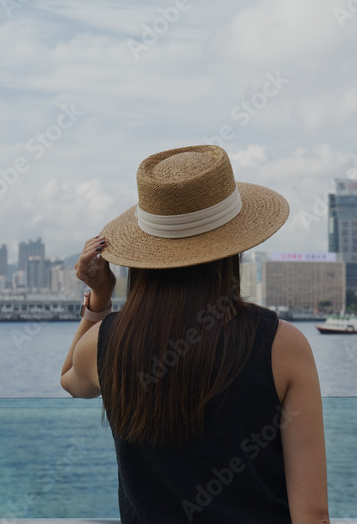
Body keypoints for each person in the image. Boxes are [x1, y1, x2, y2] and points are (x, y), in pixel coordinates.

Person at [59, 145, 330, 523]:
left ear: (147, 253)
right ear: (232, 249)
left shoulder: (109, 341)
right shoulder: (282, 345)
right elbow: (313, 514)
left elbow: (72, 382)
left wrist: (99, 301)